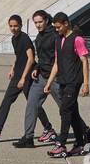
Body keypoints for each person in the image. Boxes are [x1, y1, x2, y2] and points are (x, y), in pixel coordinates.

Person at [0, 14, 46, 142]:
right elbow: (18, 56)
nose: (13, 28)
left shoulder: (24, 38)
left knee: (33, 104)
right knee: (7, 101)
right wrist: (12, 68)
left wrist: (23, 78)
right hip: (17, 75)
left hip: (27, 75)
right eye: (11, 26)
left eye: (16, 26)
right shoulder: (14, 39)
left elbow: (31, 59)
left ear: (21, 26)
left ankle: (48, 129)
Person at [44, 12, 90, 159]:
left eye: (58, 27)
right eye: (55, 27)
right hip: (63, 80)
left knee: (64, 110)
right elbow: (57, 63)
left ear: (66, 23)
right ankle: (80, 144)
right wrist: (49, 82)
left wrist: (86, 83)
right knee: (73, 113)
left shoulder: (77, 39)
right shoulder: (59, 40)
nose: (56, 29)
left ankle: (61, 145)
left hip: (74, 81)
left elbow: (84, 61)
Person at [12, 10, 58, 148]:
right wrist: (37, 68)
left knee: (66, 109)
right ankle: (28, 138)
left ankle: (85, 131)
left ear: (46, 21)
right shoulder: (39, 37)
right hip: (42, 76)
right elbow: (42, 59)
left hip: (56, 77)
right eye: (35, 22)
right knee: (32, 103)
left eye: (40, 22)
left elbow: (58, 58)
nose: (38, 25)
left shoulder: (55, 36)